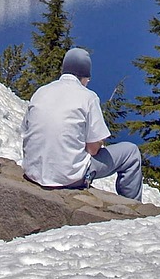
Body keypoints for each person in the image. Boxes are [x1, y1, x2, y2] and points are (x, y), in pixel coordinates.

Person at [21, 47, 143, 201]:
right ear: (85, 77)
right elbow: (93, 149)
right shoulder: (88, 97)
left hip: (33, 171)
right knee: (131, 153)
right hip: (68, 178)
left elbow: (25, 131)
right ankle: (133, 208)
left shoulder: (41, 91)